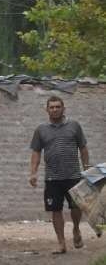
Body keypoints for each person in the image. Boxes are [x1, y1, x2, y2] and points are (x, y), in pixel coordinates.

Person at [29, 95, 90, 254]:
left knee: (76, 207)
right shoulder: (41, 130)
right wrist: (33, 173)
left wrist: (87, 168)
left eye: (58, 106)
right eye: (52, 107)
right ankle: (61, 243)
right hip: (52, 178)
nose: (55, 109)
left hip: (73, 175)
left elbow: (83, 148)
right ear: (47, 110)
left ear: (63, 108)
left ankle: (76, 229)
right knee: (55, 209)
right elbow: (36, 152)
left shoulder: (74, 126)